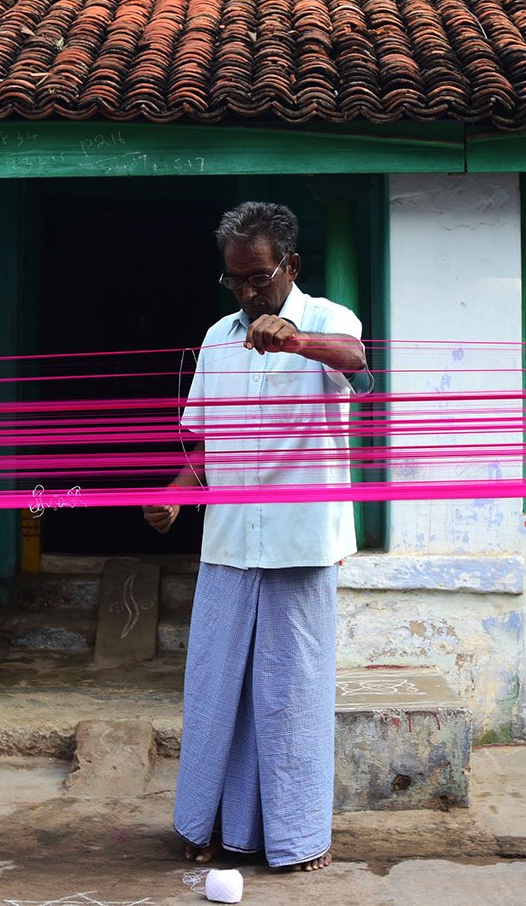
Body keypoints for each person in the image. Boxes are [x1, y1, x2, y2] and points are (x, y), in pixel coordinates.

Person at [142, 201, 371, 872]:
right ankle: (205, 825)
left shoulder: (330, 319)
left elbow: (357, 359)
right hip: (231, 542)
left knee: (292, 691)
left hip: (302, 541)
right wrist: (174, 498)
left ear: (291, 266)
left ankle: (295, 838)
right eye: (235, 280)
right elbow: (206, 443)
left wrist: (294, 338)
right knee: (216, 687)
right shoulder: (217, 338)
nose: (246, 292)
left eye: (258, 278)